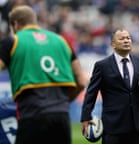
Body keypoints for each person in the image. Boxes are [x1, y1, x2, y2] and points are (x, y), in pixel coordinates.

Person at [0, 5, 87, 144]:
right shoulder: (61, 41)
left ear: (15, 24)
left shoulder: (14, 41)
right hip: (61, 116)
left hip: (32, 114)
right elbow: (82, 81)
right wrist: (63, 102)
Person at [81, 28, 139, 144]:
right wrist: (86, 117)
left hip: (135, 124)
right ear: (113, 44)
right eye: (121, 39)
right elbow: (91, 93)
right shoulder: (102, 66)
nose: (126, 41)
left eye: (128, 38)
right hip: (112, 125)